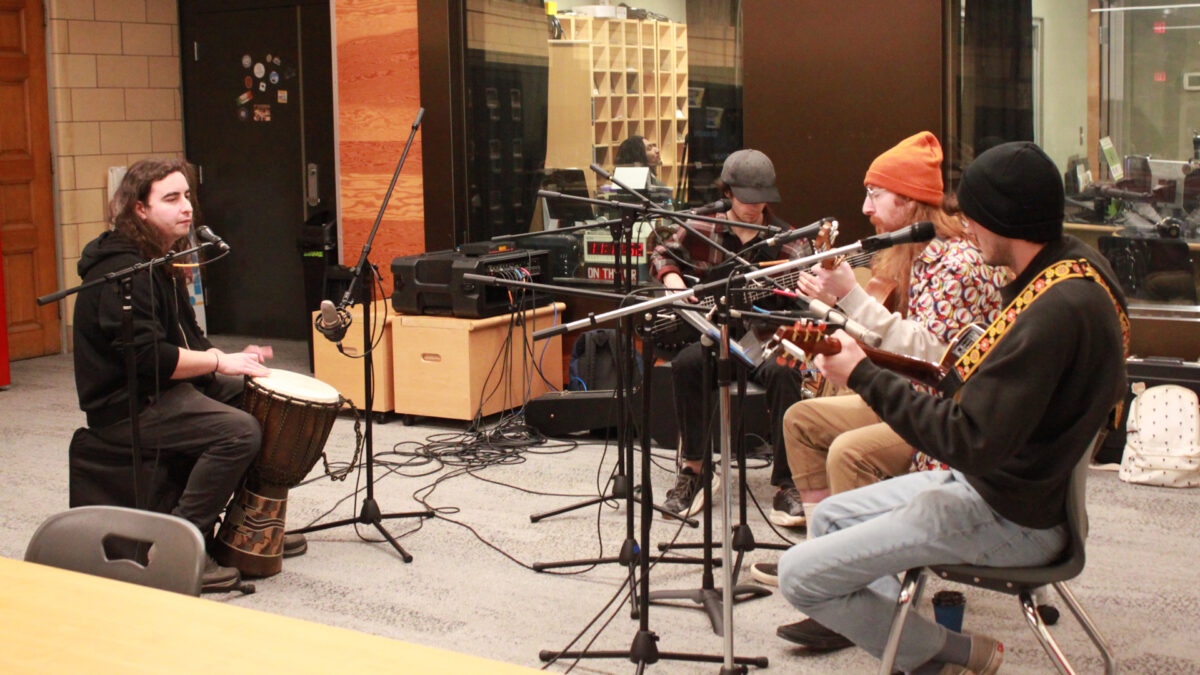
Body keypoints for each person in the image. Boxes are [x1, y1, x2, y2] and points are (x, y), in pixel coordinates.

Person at [775, 141, 1128, 674]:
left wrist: (862, 374)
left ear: (1004, 220)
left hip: (1012, 513)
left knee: (797, 576)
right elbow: (961, 375)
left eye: (974, 217)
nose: (967, 228)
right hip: (1014, 488)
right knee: (829, 520)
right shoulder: (1072, 273)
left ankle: (950, 654)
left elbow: (964, 439)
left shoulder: (1055, 313)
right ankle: (912, 641)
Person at [752, 132, 1008, 618]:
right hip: (906, 389)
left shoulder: (956, 262)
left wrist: (849, 299)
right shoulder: (906, 253)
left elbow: (935, 359)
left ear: (909, 201)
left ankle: (865, 597)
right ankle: (824, 563)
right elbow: (885, 336)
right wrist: (829, 307)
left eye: (875, 193)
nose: (865, 206)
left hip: (944, 411)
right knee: (801, 420)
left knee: (851, 451)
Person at [72, 158, 300, 592]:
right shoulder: (122, 272)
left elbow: (187, 339)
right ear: (140, 209)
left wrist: (232, 356)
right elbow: (149, 360)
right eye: (172, 198)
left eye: (187, 196)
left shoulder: (159, 258)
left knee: (260, 401)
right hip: (126, 405)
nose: (187, 207)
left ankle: (246, 532)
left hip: (166, 387)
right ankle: (178, 546)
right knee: (238, 431)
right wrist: (217, 362)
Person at [649, 149, 813, 524]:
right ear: (727, 192)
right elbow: (661, 253)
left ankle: (786, 484)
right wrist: (673, 279)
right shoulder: (701, 224)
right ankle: (694, 470)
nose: (755, 208)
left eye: (762, 200)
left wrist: (810, 289)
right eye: (745, 199)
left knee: (786, 370)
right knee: (687, 364)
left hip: (765, 341)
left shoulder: (786, 240)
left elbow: (808, 295)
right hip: (715, 335)